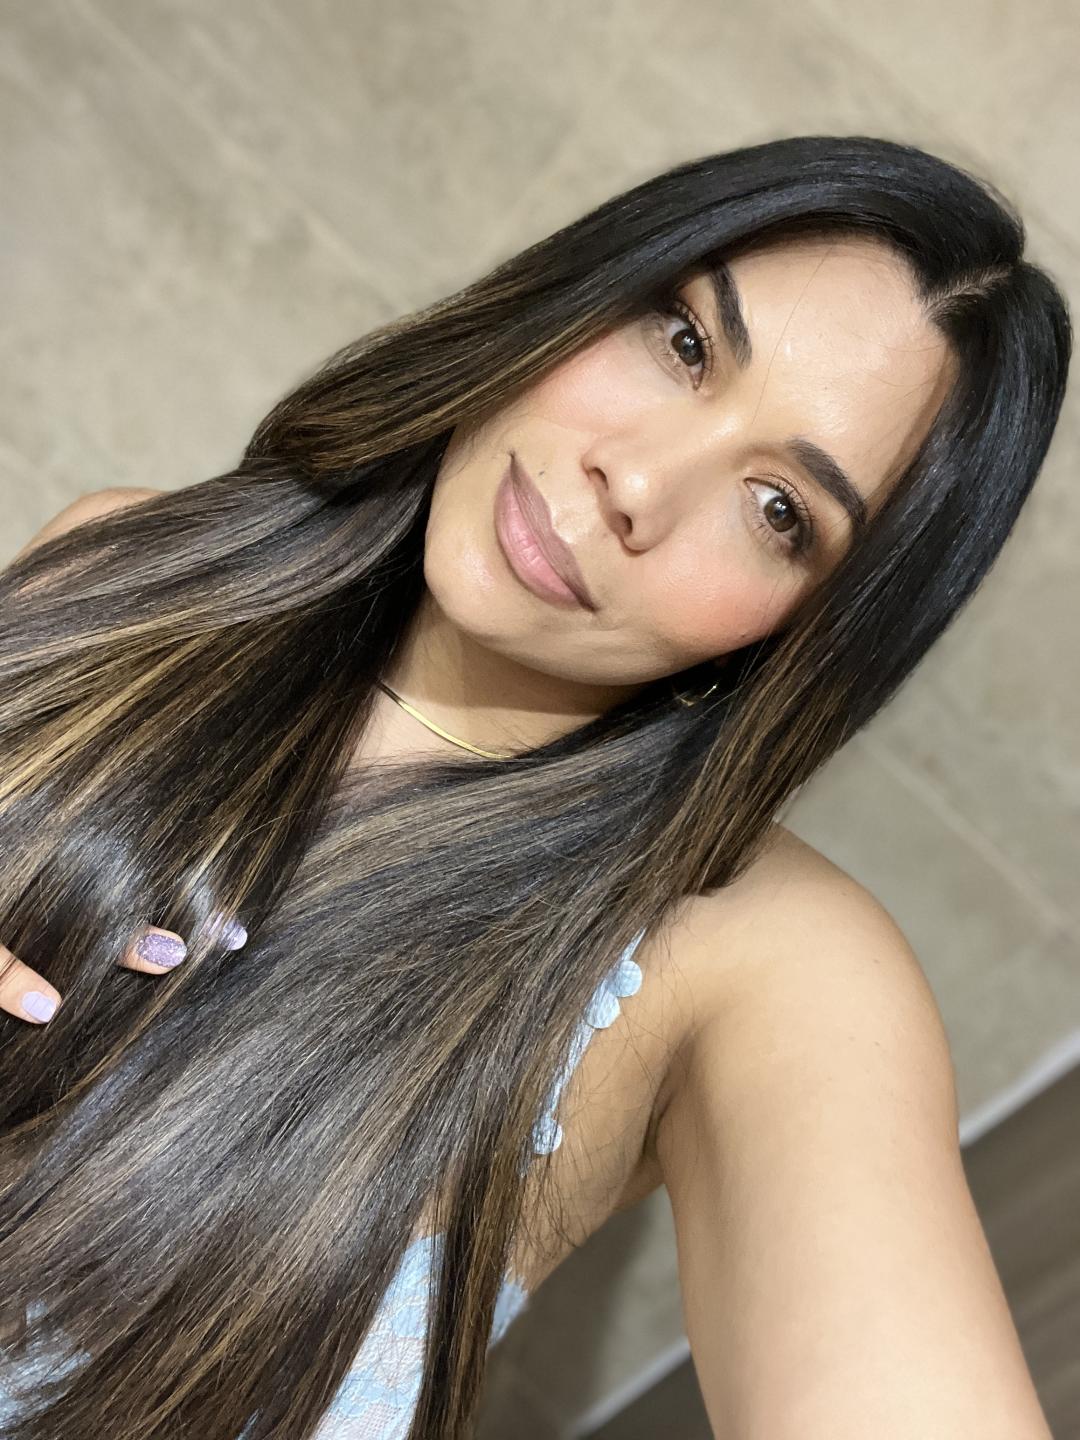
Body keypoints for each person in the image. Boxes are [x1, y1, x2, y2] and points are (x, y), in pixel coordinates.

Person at [0, 134, 1069, 1439]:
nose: (638, 481)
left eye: (780, 509)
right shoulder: (123, 565)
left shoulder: (754, 967)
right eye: (685, 341)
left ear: (811, 633)